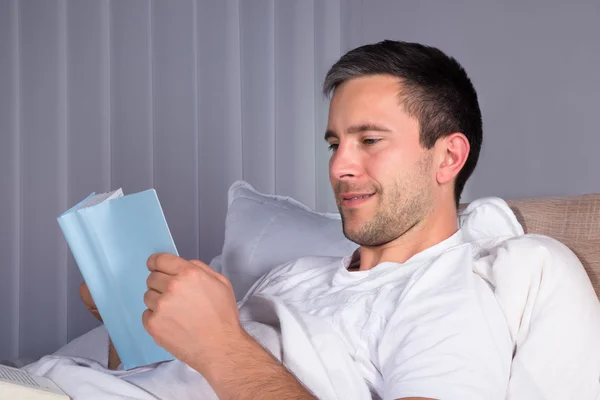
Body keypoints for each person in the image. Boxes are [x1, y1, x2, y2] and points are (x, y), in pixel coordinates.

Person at [79, 40, 600, 399]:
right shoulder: (292, 274)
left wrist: (221, 344)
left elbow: (223, 365)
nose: (339, 165)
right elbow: (152, 380)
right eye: (334, 143)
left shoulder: (446, 297)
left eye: (369, 141)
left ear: (447, 158)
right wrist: (128, 315)